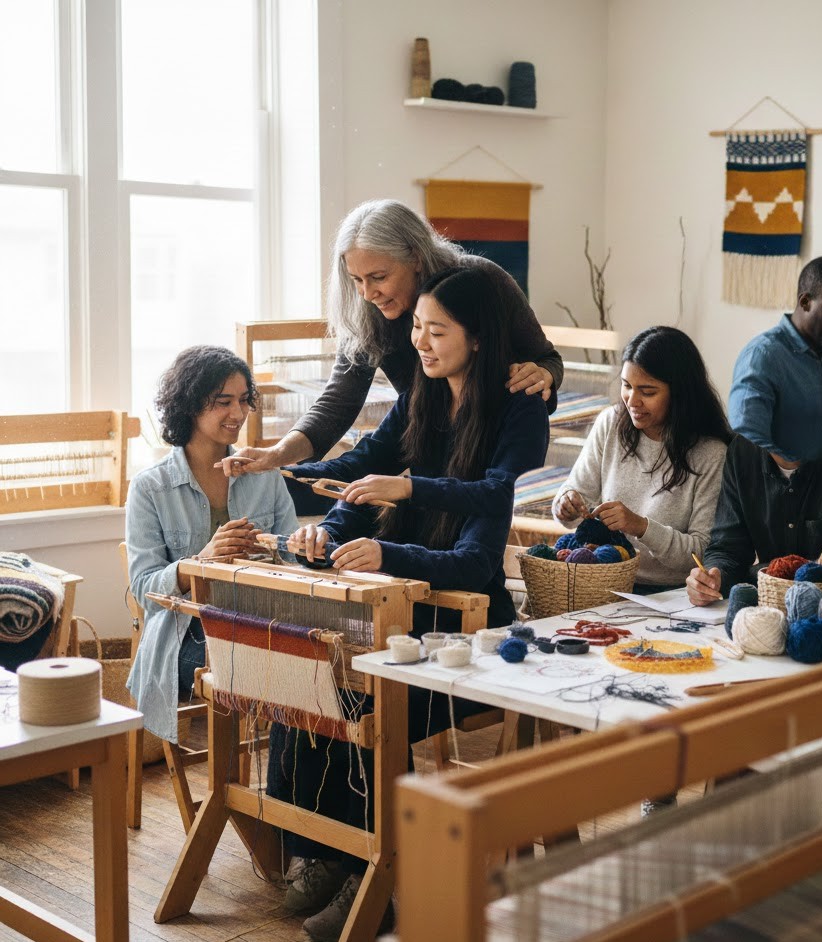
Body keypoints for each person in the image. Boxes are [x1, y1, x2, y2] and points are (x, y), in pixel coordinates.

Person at [268, 265, 550, 942]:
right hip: (400, 615)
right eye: (416, 328)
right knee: (304, 684)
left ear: (477, 338)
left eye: (437, 330)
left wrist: (400, 514)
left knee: (365, 701)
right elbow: (365, 471)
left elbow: (479, 554)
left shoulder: (517, 410)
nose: (420, 343)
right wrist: (324, 528)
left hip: (463, 629)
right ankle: (325, 853)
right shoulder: (419, 397)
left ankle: (377, 881)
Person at [222, 198, 562, 479]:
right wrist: (279, 455)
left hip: (496, 437)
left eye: (379, 277)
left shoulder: (482, 282)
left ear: (415, 257)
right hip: (430, 438)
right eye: (356, 279)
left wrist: (544, 373)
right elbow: (341, 400)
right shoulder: (372, 317)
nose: (368, 293)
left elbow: (547, 359)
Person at [125, 346, 298, 743]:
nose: (237, 414)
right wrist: (201, 561)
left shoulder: (264, 476)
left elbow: (291, 555)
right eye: (223, 402)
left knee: (317, 665)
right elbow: (144, 591)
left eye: (243, 401)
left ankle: (282, 794)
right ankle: (249, 792)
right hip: (185, 633)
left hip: (263, 619)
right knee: (285, 669)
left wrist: (303, 545)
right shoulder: (150, 488)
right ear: (189, 405)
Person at [552, 326, 731, 592]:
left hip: (673, 595)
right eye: (626, 386)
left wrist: (640, 526)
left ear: (679, 393)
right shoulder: (610, 423)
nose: (632, 401)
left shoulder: (710, 453)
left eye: (647, 392)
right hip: (604, 583)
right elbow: (576, 497)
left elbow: (701, 552)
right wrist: (565, 504)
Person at [685, 429, 822, 609]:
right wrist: (713, 577)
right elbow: (727, 549)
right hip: (780, 617)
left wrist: (758, 573)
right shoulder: (743, 451)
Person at [729, 255, 822, 464]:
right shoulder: (762, 357)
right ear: (805, 302)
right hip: (784, 492)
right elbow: (748, 444)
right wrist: (802, 482)